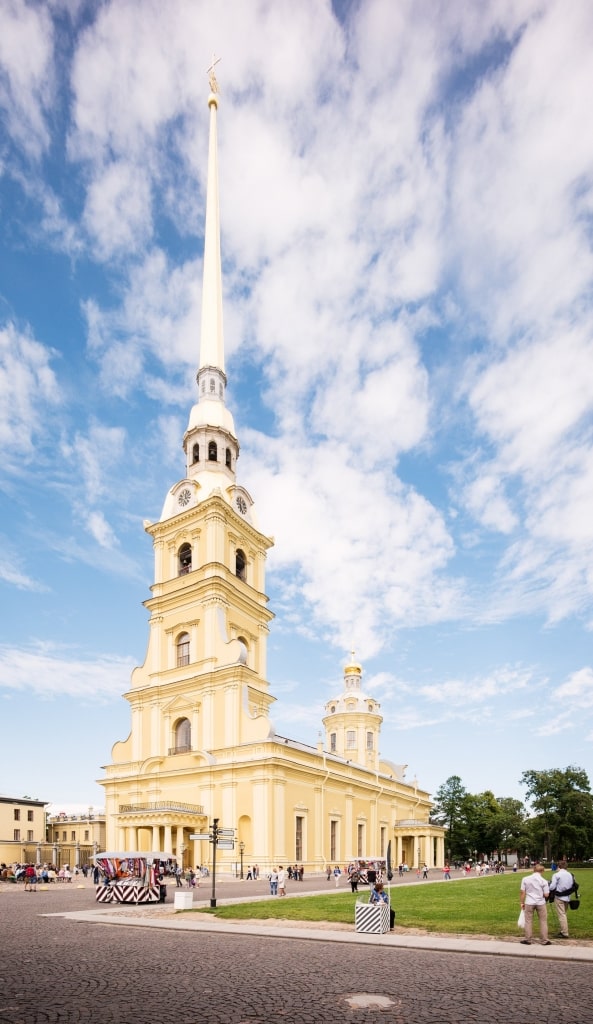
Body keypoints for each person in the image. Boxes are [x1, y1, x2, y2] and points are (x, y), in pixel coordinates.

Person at [519, 862, 551, 945]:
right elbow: (546, 894)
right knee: (543, 921)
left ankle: (528, 939)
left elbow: (522, 892)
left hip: (529, 901)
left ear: (533, 870)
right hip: (540, 902)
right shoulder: (544, 881)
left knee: (528, 921)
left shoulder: (525, 879)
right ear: (542, 871)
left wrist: (521, 902)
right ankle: (544, 940)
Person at [549, 859, 575, 938]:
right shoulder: (571, 874)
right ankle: (563, 930)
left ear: (559, 866)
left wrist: (549, 884)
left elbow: (552, 887)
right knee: (564, 914)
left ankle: (564, 932)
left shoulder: (556, 875)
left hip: (559, 897)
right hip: (567, 897)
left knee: (561, 915)